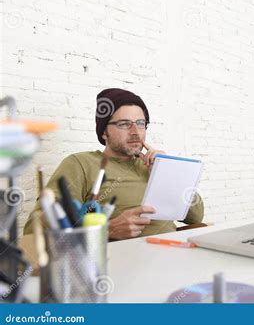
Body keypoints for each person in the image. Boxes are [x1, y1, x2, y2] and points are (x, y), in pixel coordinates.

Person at [23, 88, 204, 240]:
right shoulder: (81, 164)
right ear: (104, 132)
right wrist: (107, 229)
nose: (135, 132)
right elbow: (34, 229)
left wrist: (168, 173)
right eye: (125, 124)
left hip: (172, 255)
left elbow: (195, 217)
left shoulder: (153, 165)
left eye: (141, 123)